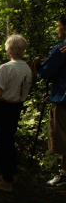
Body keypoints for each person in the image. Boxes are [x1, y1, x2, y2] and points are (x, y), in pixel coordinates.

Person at [0, 35, 32, 192]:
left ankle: (7, 182)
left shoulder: (6, 68)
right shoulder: (26, 67)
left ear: (10, 49)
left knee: (3, 144)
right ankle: (11, 174)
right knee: (9, 141)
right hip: (17, 107)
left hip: (5, 108)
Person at [33, 14, 66, 189]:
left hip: (64, 101)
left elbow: (47, 72)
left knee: (63, 138)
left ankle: (64, 175)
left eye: (59, 25)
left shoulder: (62, 49)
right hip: (60, 96)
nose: (57, 29)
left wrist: (38, 65)